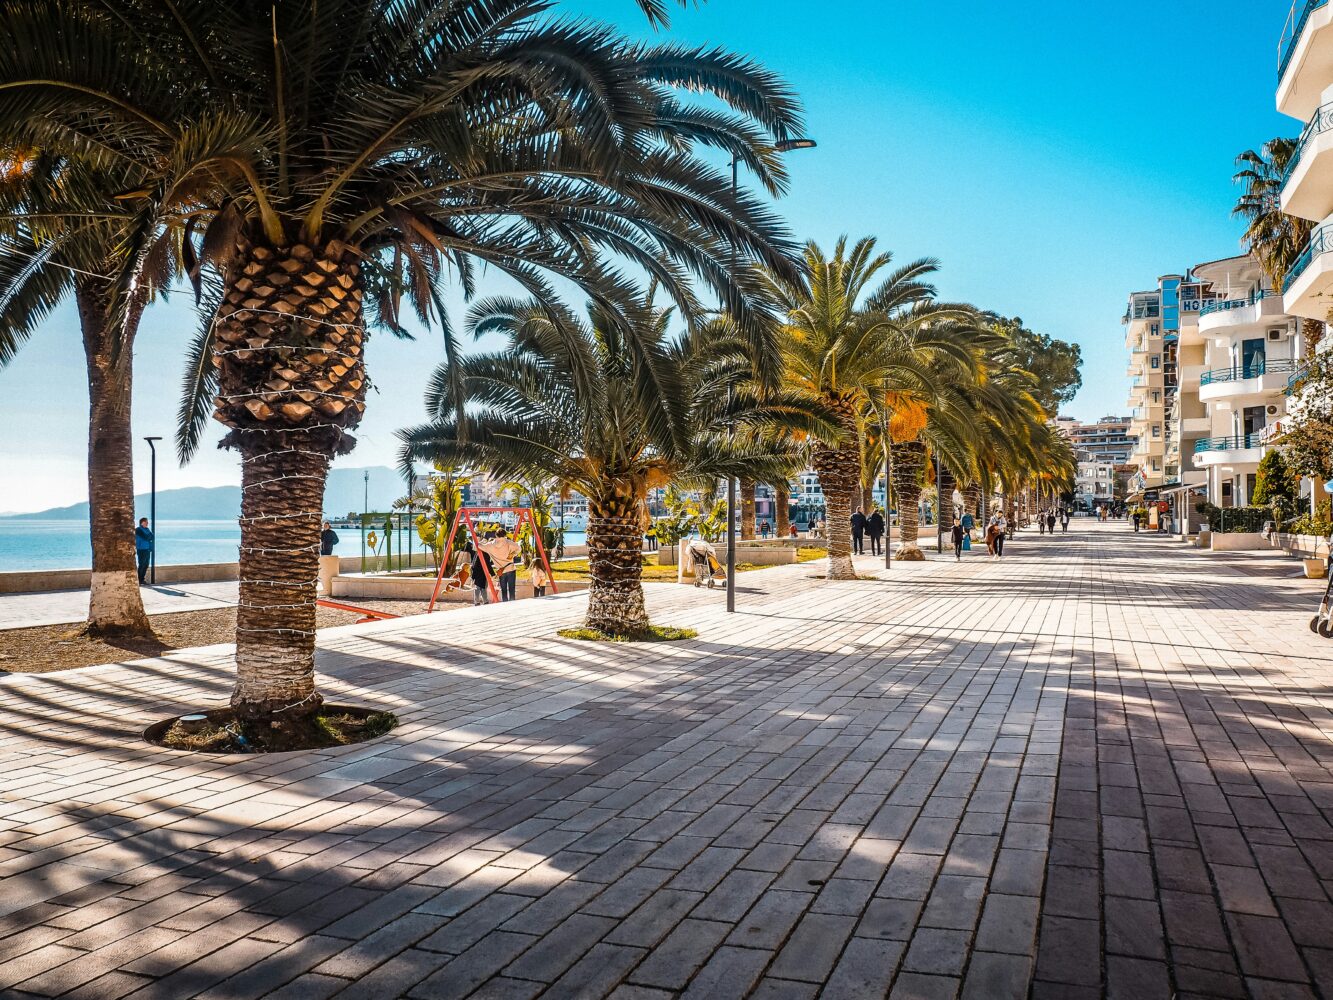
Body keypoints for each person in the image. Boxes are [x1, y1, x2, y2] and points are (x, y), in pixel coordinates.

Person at [482, 528, 521, 602]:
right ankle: (512, 604)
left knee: (503, 590)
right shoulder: (508, 542)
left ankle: (505, 604)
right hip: (510, 568)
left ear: (496, 535)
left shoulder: (491, 544)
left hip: (501, 570)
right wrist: (513, 554)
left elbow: (480, 546)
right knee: (511, 589)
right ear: (505, 535)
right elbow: (519, 548)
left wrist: (479, 542)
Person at [469, 540, 493, 605]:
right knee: (483, 588)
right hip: (483, 573)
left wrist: (472, 575)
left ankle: (477, 601)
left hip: (476, 573)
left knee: (477, 588)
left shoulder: (477, 553)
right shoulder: (485, 554)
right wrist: (492, 573)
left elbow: (473, 564)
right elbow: (488, 565)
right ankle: (485, 601)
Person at [135, 517, 154, 584]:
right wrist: (148, 537)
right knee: (142, 564)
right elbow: (146, 537)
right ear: (142, 522)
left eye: (147, 522)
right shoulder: (138, 530)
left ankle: (142, 579)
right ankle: (139, 580)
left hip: (147, 549)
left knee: (146, 564)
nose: (147, 523)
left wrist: (148, 537)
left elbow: (152, 536)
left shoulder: (147, 529)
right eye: (146, 522)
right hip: (141, 550)